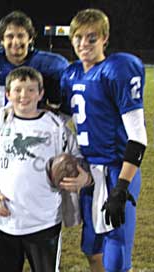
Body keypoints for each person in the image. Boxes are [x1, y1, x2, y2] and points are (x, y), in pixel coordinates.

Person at [59, 8, 147, 272]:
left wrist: (122, 186)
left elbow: (138, 137)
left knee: (117, 249)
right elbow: (61, 119)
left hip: (116, 169)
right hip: (88, 171)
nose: (84, 44)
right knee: (92, 246)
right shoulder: (71, 74)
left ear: (105, 39)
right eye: (79, 38)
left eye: (92, 38)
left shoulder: (118, 69)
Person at [0, 66, 91, 272]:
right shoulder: (0, 125)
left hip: (45, 221)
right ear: (8, 94)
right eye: (18, 90)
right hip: (6, 219)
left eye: (31, 90)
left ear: (41, 94)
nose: (24, 96)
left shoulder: (56, 127)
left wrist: (83, 177)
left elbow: (77, 159)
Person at [0, 10, 69, 144]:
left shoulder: (51, 65)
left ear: (30, 38)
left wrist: (52, 121)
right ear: (1, 40)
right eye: (10, 36)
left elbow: (63, 108)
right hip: (1, 137)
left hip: (39, 137)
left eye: (21, 35)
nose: (16, 42)